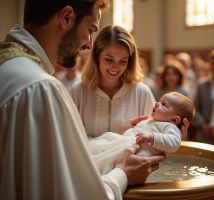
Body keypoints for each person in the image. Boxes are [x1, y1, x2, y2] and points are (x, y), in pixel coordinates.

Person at [0, 1, 166, 199]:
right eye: (90, 29)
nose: (89, 43)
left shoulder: (10, 68)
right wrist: (122, 173)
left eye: (123, 61)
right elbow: (71, 194)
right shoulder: (40, 88)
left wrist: (168, 127)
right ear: (67, 17)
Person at [70, 25, 156, 137]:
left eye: (123, 61)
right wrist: (115, 137)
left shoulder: (141, 93)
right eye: (109, 59)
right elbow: (70, 139)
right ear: (97, 56)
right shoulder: (78, 92)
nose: (115, 67)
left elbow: (153, 137)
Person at [88, 92, 195, 174]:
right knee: (104, 142)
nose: (157, 104)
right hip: (125, 142)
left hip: (138, 152)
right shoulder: (152, 120)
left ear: (175, 120)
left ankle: (100, 170)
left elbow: (174, 143)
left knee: (110, 157)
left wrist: (152, 137)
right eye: (159, 101)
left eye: (163, 104)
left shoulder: (170, 127)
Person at [193, 49, 214, 143]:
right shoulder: (201, 84)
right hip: (203, 132)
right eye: (212, 63)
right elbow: (195, 107)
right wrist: (203, 125)